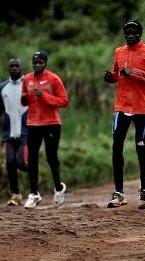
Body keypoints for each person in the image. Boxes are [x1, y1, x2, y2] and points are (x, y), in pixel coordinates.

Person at [103, 20, 145, 209]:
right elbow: (117, 74)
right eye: (127, 32)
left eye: (134, 32)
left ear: (140, 34)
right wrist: (110, 78)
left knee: (140, 147)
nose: (130, 35)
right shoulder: (119, 52)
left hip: (142, 108)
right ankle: (119, 193)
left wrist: (135, 72)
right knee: (116, 146)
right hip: (122, 106)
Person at [20, 51, 69, 209]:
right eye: (35, 62)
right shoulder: (27, 79)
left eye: (40, 62)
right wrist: (24, 99)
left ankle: (59, 188)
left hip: (51, 123)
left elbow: (64, 101)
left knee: (51, 157)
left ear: (45, 63)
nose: (37, 65)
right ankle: (34, 194)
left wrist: (45, 96)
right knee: (32, 160)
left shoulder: (53, 79)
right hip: (33, 123)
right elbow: (24, 102)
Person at [0, 58, 28, 206]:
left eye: (17, 66)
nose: (15, 68)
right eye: (12, 66)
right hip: (9, 132)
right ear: (8, 68)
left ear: (22, 67)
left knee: (22, 162)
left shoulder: (28, 85)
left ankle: (34, 182)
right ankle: (15, 194)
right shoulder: (2, 88)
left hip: (26, 132)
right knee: (10, 163)